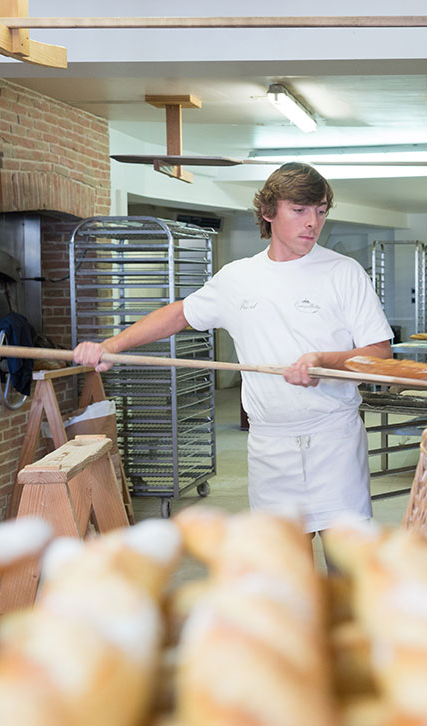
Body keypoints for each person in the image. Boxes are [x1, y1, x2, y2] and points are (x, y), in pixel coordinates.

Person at [73, 162, 393, 534]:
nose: (313, 223)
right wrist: (111, 346)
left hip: (334, 442)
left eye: (321, 211)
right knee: (286, 575)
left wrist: (324, 361)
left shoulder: (344, 272)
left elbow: (379, 355)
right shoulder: (238, 278)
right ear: (268, 211)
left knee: (347, 570)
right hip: (269, 447)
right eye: (300, 210)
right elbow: (179, 315)